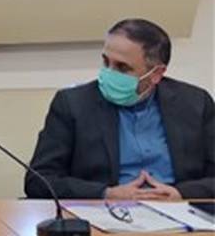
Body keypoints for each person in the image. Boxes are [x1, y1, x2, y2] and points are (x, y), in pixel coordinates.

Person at [28, 18, 214, 201]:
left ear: (156, 74)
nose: (109, 73)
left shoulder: (196, 103)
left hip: (178, 210)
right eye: (106, 62)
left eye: (122, 67)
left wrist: (180, 193)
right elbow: (39, 180)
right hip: (105, 210)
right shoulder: (72, 104)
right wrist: (106, 193)